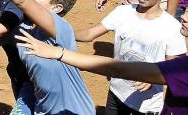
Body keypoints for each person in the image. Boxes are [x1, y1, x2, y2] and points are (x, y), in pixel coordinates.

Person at [18, 8, 188, 115]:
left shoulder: (183, 66)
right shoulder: (124, 12)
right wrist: (63, 35)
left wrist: (58, 52)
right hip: (118, 93)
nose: (184, 17)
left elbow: (117, 69)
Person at [75, 0, 186, 115]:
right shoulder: (122, 12)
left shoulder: (172, 27)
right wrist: (59, 31)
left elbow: (173, 68)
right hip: (116, 91)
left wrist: (153, 77)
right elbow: (89, 34)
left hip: (146, 105)